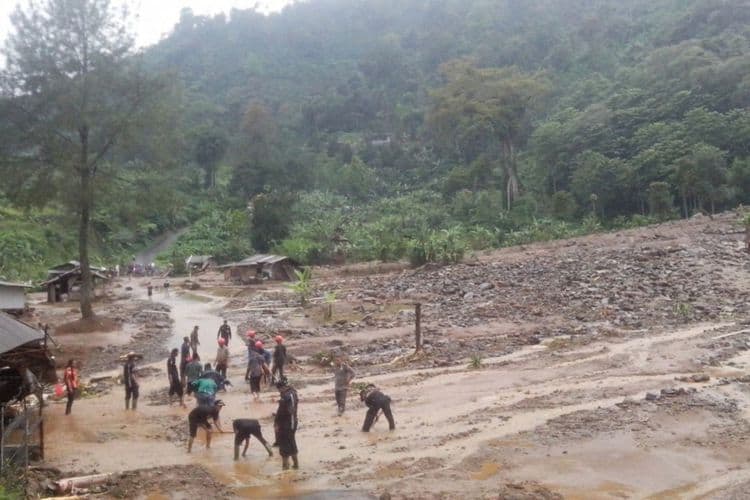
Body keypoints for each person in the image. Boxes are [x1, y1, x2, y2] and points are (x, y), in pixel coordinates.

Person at [274, 377, 299, 470]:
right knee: (291, 442)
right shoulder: (292, 393)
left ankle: (285, 467)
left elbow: (289, 410)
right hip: (290, 422)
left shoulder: (287, 396)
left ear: (282, 387)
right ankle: (295, 465)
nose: (279, 391)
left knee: (284, 446)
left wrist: (277, 422)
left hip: (287, 423)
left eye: (279, 389)